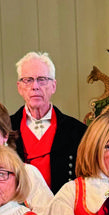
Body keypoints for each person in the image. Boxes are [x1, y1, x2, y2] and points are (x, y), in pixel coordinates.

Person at [11, 51, 87, 193]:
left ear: (53, 86)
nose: (35, 86)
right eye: (28, 80)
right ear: (19, 87)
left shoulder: (78, 131)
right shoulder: (5, 128)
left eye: (42, 79)